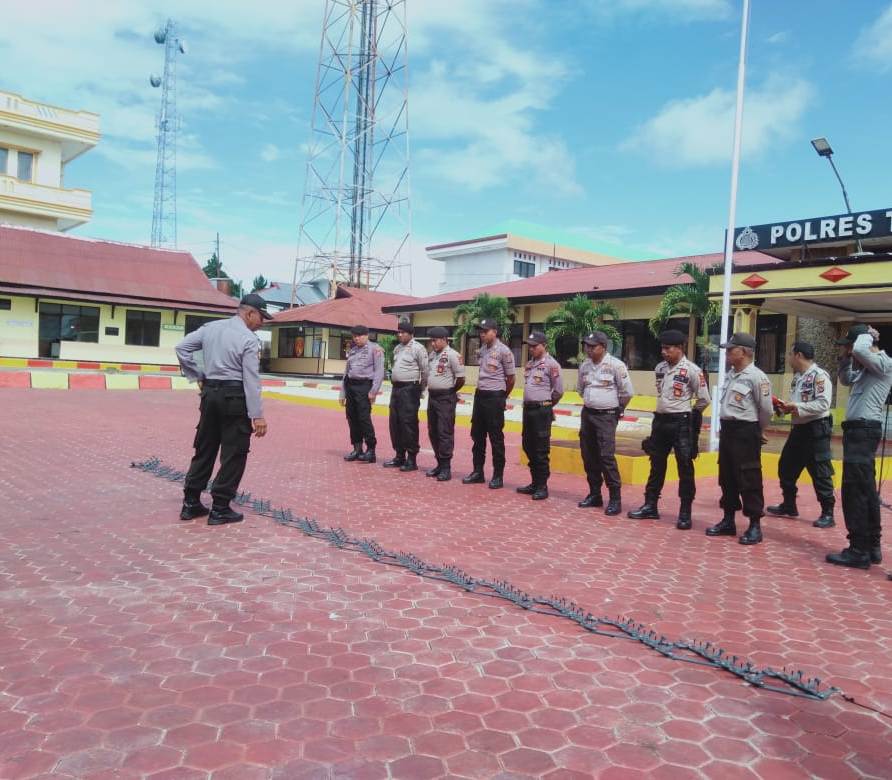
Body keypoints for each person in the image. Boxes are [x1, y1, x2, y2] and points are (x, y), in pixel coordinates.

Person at [175, 293, 271, 526]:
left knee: (205, 447)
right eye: (261, 318)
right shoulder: (248, 339)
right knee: (234, 453)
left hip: (210, 395)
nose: (262, 323)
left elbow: (181, 348)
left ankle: (191, 503)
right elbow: (251, 379)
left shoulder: (211, 328)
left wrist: (198, 374)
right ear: (249, 313)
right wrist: (257, 415)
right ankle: (220, 507)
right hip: (234, 398)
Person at [628, 329, 710, 529]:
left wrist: (689, 413)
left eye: (668, 348)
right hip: (660, 422)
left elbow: (704, 399)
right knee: (656, 464)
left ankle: (685, 513)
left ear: (680, 348)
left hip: (680, 422)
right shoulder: (660, 368)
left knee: (684, 467)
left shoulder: (692, 370)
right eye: (662, 348)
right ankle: (650, 505)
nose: (664, 352)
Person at [826, 324, 892, 570]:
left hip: (863, 431)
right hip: (858, 432)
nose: (847, 350)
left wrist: (865, 334)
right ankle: (871, 546)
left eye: (847, 346)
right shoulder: (867, 366)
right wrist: (844, 358)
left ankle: (858, 550)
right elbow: (845, 379)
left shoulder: (881, 362)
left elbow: (863, 349)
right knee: (865, 490)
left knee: (856, 491)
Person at [706, 332, 774, 545]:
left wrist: (759, 430)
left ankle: (755, 525)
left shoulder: (757, 377)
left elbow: (766, 410)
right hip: (728, 430)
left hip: (746, 431)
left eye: (730, 349)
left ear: (743, 352)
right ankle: (728, 520)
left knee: (749, 477)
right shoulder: (731, 374)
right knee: (727, 476)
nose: (727, 352)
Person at [766, 341, 835, 528]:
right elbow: (798, 403)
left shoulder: (819, 377)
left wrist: (797, 407)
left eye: (790, 354)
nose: (788, 358)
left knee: (820, 472)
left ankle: (828, 512)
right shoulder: (799, 377)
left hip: (816, 430)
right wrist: (784, 407)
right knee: (786, 466)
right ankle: (789, 505)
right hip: (799, 430)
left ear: (798, 355)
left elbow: (823, 404)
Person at [577, 331, 634, 515]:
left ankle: (615, 498)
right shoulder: (584, 366)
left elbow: (627, 393)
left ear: (603, 347)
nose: (589, 349)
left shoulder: (616, 366)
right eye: (587, 346)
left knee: (606, 456)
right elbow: (581, 389)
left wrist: (616, 410)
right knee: (589, 455)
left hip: (607, 416)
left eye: (593, 346)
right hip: (588, 415)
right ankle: (595, 494)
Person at [463, 319, 516, 490]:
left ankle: (498, 476)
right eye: (480, 331)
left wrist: (501, 396)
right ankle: (478, 472)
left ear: (495, 331)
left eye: (485, 331)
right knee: (477, 436)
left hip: (494, 397)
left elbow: (511, 378)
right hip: (480, 396)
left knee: (496, 438)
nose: (482, 334)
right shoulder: (482, 350)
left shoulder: (504, 351)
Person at [517, 331, 564, 500]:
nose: (531, 349)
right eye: (529, 346)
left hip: (541, 411)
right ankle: (534, 482)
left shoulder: (552, 365)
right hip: (528, 410)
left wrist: (545, 405)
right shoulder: (530, 364)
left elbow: (558, 391)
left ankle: (542, 486)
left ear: (544, 345)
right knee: (527, 445)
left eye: (534, 346)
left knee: (540, 449)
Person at [383, 320, 429, 472]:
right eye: (398, 332)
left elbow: (425, 371)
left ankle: (411, 459)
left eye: (403, 332)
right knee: (395, 422)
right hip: (396, 389)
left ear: (410, 334)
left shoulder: (418, 348)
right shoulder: (397, 348)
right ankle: (399, 455)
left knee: (408, 423)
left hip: (410, 389)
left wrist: (419, 389)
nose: (400, 334)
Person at [340, 324, 385, 464]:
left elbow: (379, 372)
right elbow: (346, 373)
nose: (356, 338)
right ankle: (357, 448)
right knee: (352, 418)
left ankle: (371, 450)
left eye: (359, 336)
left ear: (367, 335)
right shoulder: (353, 351)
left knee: (364, 419)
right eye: (354, 336)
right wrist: (342, 393)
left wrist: (373, 391)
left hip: (365, 387)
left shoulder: (375, 350)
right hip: (351, 387)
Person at [425, 326, 465, 482]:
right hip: (432, 397)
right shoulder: (433, 356)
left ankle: (446, 467)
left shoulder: (453, 355)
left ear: (444, 339)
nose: (433, 344)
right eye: (431, 341)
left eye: (435, 341)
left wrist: (450, 391)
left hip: (445, 398)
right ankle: (439, 464)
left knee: (444, 432)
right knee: (432, 431)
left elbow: (461, 379)